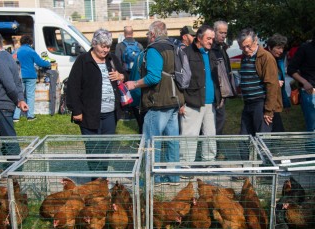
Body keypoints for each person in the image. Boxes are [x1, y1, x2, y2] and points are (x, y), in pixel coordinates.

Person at [125, 21, 184, 186]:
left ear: (152, 34)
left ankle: (152, 178)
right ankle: (173, 177)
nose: (147, 37)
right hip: (175, 100)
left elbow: (153, 77)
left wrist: (134, 84)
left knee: (151, 142)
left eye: (147, 34)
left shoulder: (154, 50)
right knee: (172, 141)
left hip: (157, 101)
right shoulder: (174, 47)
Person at [66, 28, 127, 173]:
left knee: (106, 149)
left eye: (108, 47)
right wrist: (76, 110)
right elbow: (73, 87)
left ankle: (102, 178)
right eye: (102, 46)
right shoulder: (83, 60)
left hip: (110, 114)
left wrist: (121, 76)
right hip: (88, 114)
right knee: (93, 150)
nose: (106, 50)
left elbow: (126, 75)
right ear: (94, 44)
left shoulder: (112, 59)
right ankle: (95, 181)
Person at [180, 25, 221, 164]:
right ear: (199, 38)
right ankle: (186, 166)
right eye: (208, 38)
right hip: (192, 102)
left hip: (210, 102)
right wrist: (180, 102)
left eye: (212, 39)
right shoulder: (186, 53)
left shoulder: (213, 53)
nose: (211, 41)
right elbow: (179, 80)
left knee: (210, 137)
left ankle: (208, 165)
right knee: (189, 137)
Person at [237, 28, 282, 136]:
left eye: (248, 46)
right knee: (245, 138)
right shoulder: (245, 57)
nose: (246, 49)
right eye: (243, 47)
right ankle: (247, 154)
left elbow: (271, 85)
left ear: (255, 41)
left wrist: (268, 111)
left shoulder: (266, 57)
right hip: (248, 103)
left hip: (261, 104)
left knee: (262, 139)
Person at [13, 35, 51, 121]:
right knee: (30, 95)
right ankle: (30, 116)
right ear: (30, 43)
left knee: (19, 95)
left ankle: (16, 116)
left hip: (19, 76)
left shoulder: (16, 51)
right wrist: (48, 63)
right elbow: (40, 62)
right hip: (30, 76)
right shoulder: (31, 51)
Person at [287, 30, 315, 132]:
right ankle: (311, 148)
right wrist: (305, 82)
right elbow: (291, 69)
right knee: (312, 127)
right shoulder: (305, 48)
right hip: (310, 92)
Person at [266, 33, 291, 132]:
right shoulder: (265, 59)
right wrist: (275, 82)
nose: (281, 51)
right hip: (267, 101)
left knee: (278, 131)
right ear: (270, 47)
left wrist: (286, 103)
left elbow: (282, 85)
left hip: (276, 101)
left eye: (282, 48)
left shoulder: (279, 60)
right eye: (278, 48)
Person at [212, 20, 232, 135]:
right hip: (214, 93)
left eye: (225, 33)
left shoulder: (222, 48)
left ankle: (217, 149)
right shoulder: (210, 49)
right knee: (215, 123)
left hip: (222, 93)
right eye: (221, 33)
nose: (224, 36)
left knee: (220, 121)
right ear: (214, 31)